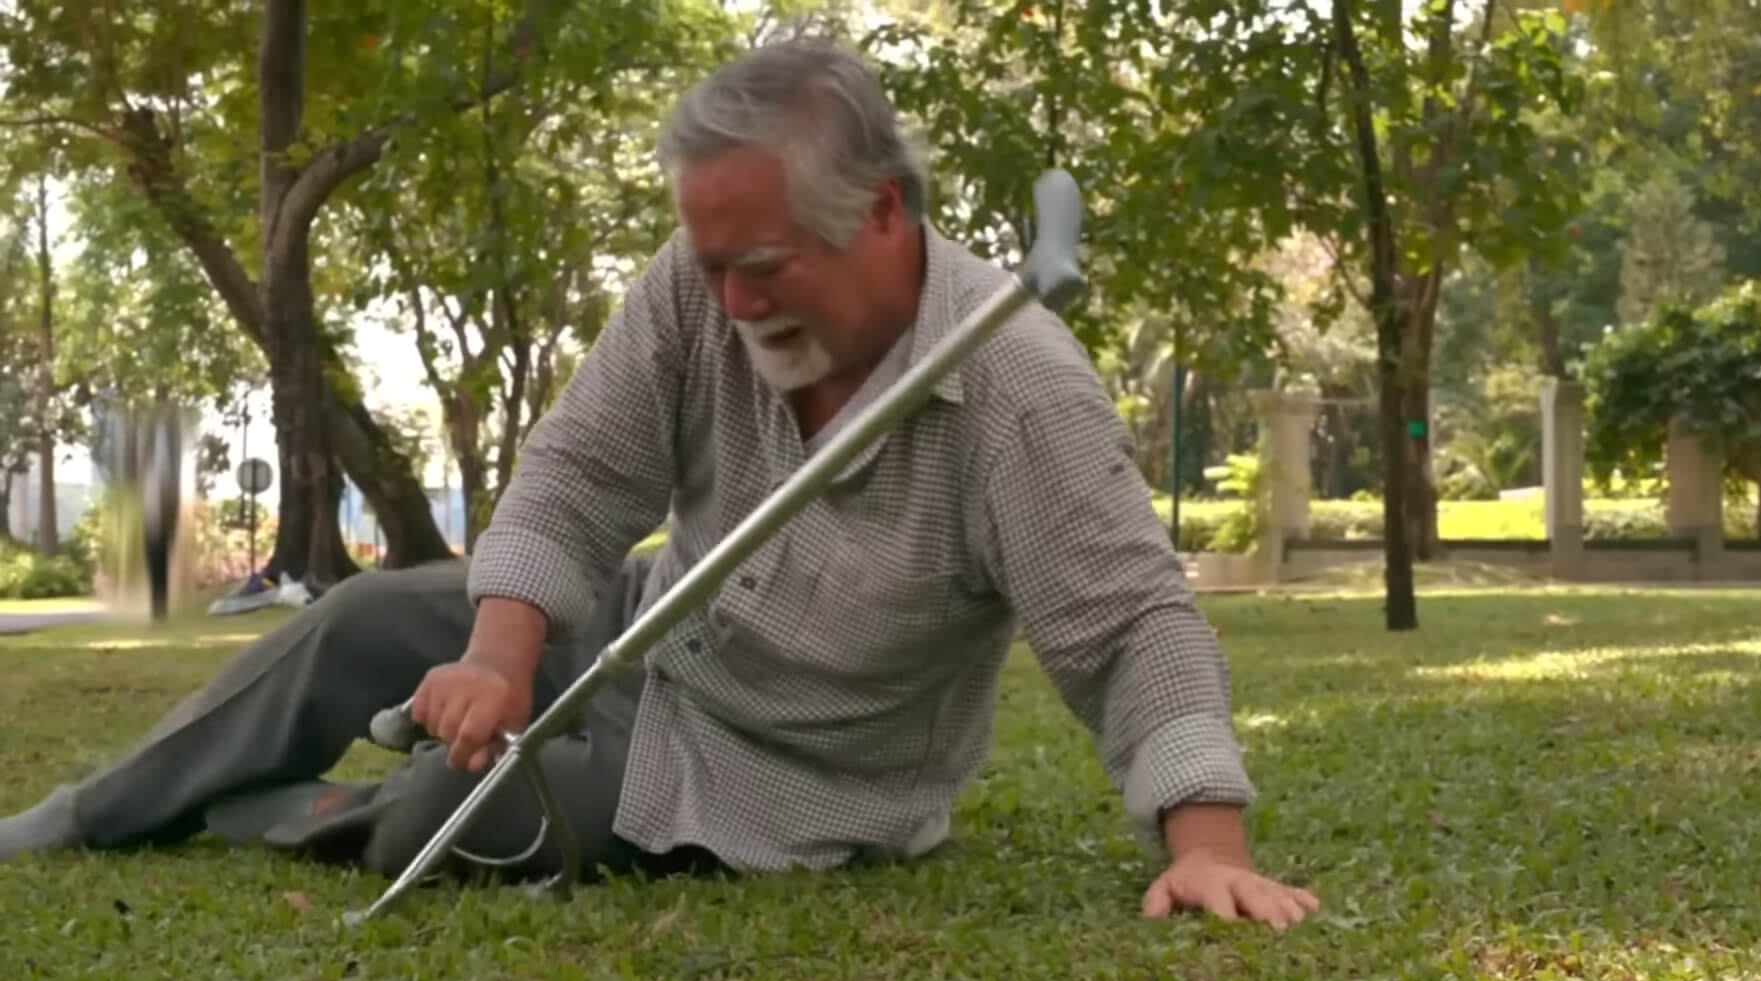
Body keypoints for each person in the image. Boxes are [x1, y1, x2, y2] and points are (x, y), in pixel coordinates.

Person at [0, 37, 1319, 930]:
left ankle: (298, 811)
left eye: (767, 264)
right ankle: (90, 816)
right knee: (357, 621)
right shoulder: (699, 291)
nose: (735, 303)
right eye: (712, 265)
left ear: (881, 215)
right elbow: (580, 473)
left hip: (786, 773)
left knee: (450, 819)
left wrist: (1208, 849)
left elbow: (1129, 623)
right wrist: (505, 652)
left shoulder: (1018, 384)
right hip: (650, 626)